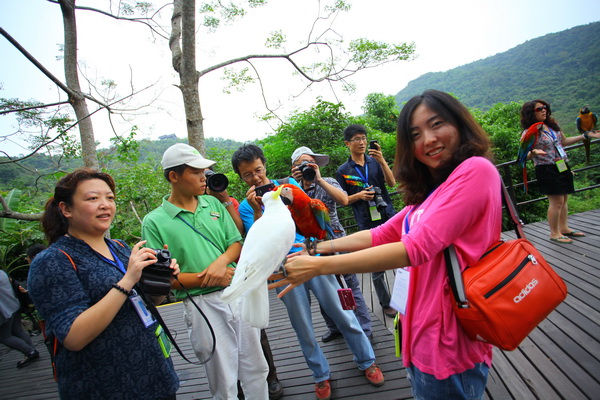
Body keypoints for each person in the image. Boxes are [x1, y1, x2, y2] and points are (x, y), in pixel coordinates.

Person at [271, 90, 504, 399]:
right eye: (416, 134)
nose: (429, 139)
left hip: (448, 340)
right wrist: (317, 249)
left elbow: (413, 248)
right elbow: (381, 234)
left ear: (460, 124)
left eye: (437, 125)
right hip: (417, 332)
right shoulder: (434, 191)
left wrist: (319, 266)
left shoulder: (476, 171)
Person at [232, 144, 383, 400]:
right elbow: (258, 239)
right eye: (248, 175)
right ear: (241, 177)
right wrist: (258, 209)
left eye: (258, 170)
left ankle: (367, 360)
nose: (255, 177)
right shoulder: (247, 207)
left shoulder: (289, 185)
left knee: (343, 313)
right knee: (302, 326)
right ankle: (320, 376)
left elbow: (306, 217)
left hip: (311, 257)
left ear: (265, 166)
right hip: (283, 269)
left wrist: (314, 250)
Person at [27, 168, 180, 399]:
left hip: (155, 376)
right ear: (66, 209)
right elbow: (73, 337)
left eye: (109, 197)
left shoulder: (118, 247)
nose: (105, 204)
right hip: (106, 386)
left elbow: (147, 302)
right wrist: (128, 279)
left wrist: (161, 281)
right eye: (92, 198)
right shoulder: (52, 261)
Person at [142, 143, 269, 400]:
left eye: (205, 171)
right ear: (173, 176)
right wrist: (208, 277)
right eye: (195, 172)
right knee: (223, 379)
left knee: (256, 368)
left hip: (236, 293)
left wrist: (221, 263)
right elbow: (162, 278)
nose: (204, 177)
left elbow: (235, 243)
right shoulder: (154, 221)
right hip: (202, 304)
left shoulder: (212, 204)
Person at [203, 169, 284, 399]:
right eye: (206, 179)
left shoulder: (230, 203)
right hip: (213, 280)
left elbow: (240, 232)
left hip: (240, 271)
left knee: (255, 329)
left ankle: (271, 377)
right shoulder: (197, 205)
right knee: (224, 343)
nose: (209, 183)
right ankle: (236, 388)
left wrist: (226, 200)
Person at [290, 146, 373, 343]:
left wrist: (318, 179)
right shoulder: (293, 188)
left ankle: (365, 330)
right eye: (301, 163)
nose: (306, 166)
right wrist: (295, 182)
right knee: (324, 290)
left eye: (309, 162)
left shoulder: (328, 181)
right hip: (311, 246)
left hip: (336, 241)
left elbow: (344, 200)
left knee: (350, 286)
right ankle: (334, 326)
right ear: (294, 168)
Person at [336, 124, 397, 318]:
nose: (361, 142)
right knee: (376, 266)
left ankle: (406, 295)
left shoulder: (375, 161)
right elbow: (343, 200)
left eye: (363, 138)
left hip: (388, 215)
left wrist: (383, 161)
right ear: (348, 143)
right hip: (366, 222)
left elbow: (392, 183)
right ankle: (386, 302)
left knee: (402, 256)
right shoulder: (343, 171)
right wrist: (359, 196)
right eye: (357, 139)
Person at [520, 100, 600, 243]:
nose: (544, 110)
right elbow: (523, 155)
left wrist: (586, 135)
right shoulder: (530, 132)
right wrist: (534, 152)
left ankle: (564, 228)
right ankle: (554, 233)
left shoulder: (552, 126)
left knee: (564, 199)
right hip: (546, 168)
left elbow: (564, 141)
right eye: (539, 109)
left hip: (562, 164)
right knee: (556, 202)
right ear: (531, 113)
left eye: (545, 107)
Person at [0, 269, 39, 369]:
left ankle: (29, 351)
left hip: (5, 310)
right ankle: (32, 350)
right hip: (14, 305)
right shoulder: (2, 272)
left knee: (4, 337)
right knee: (18, 331)